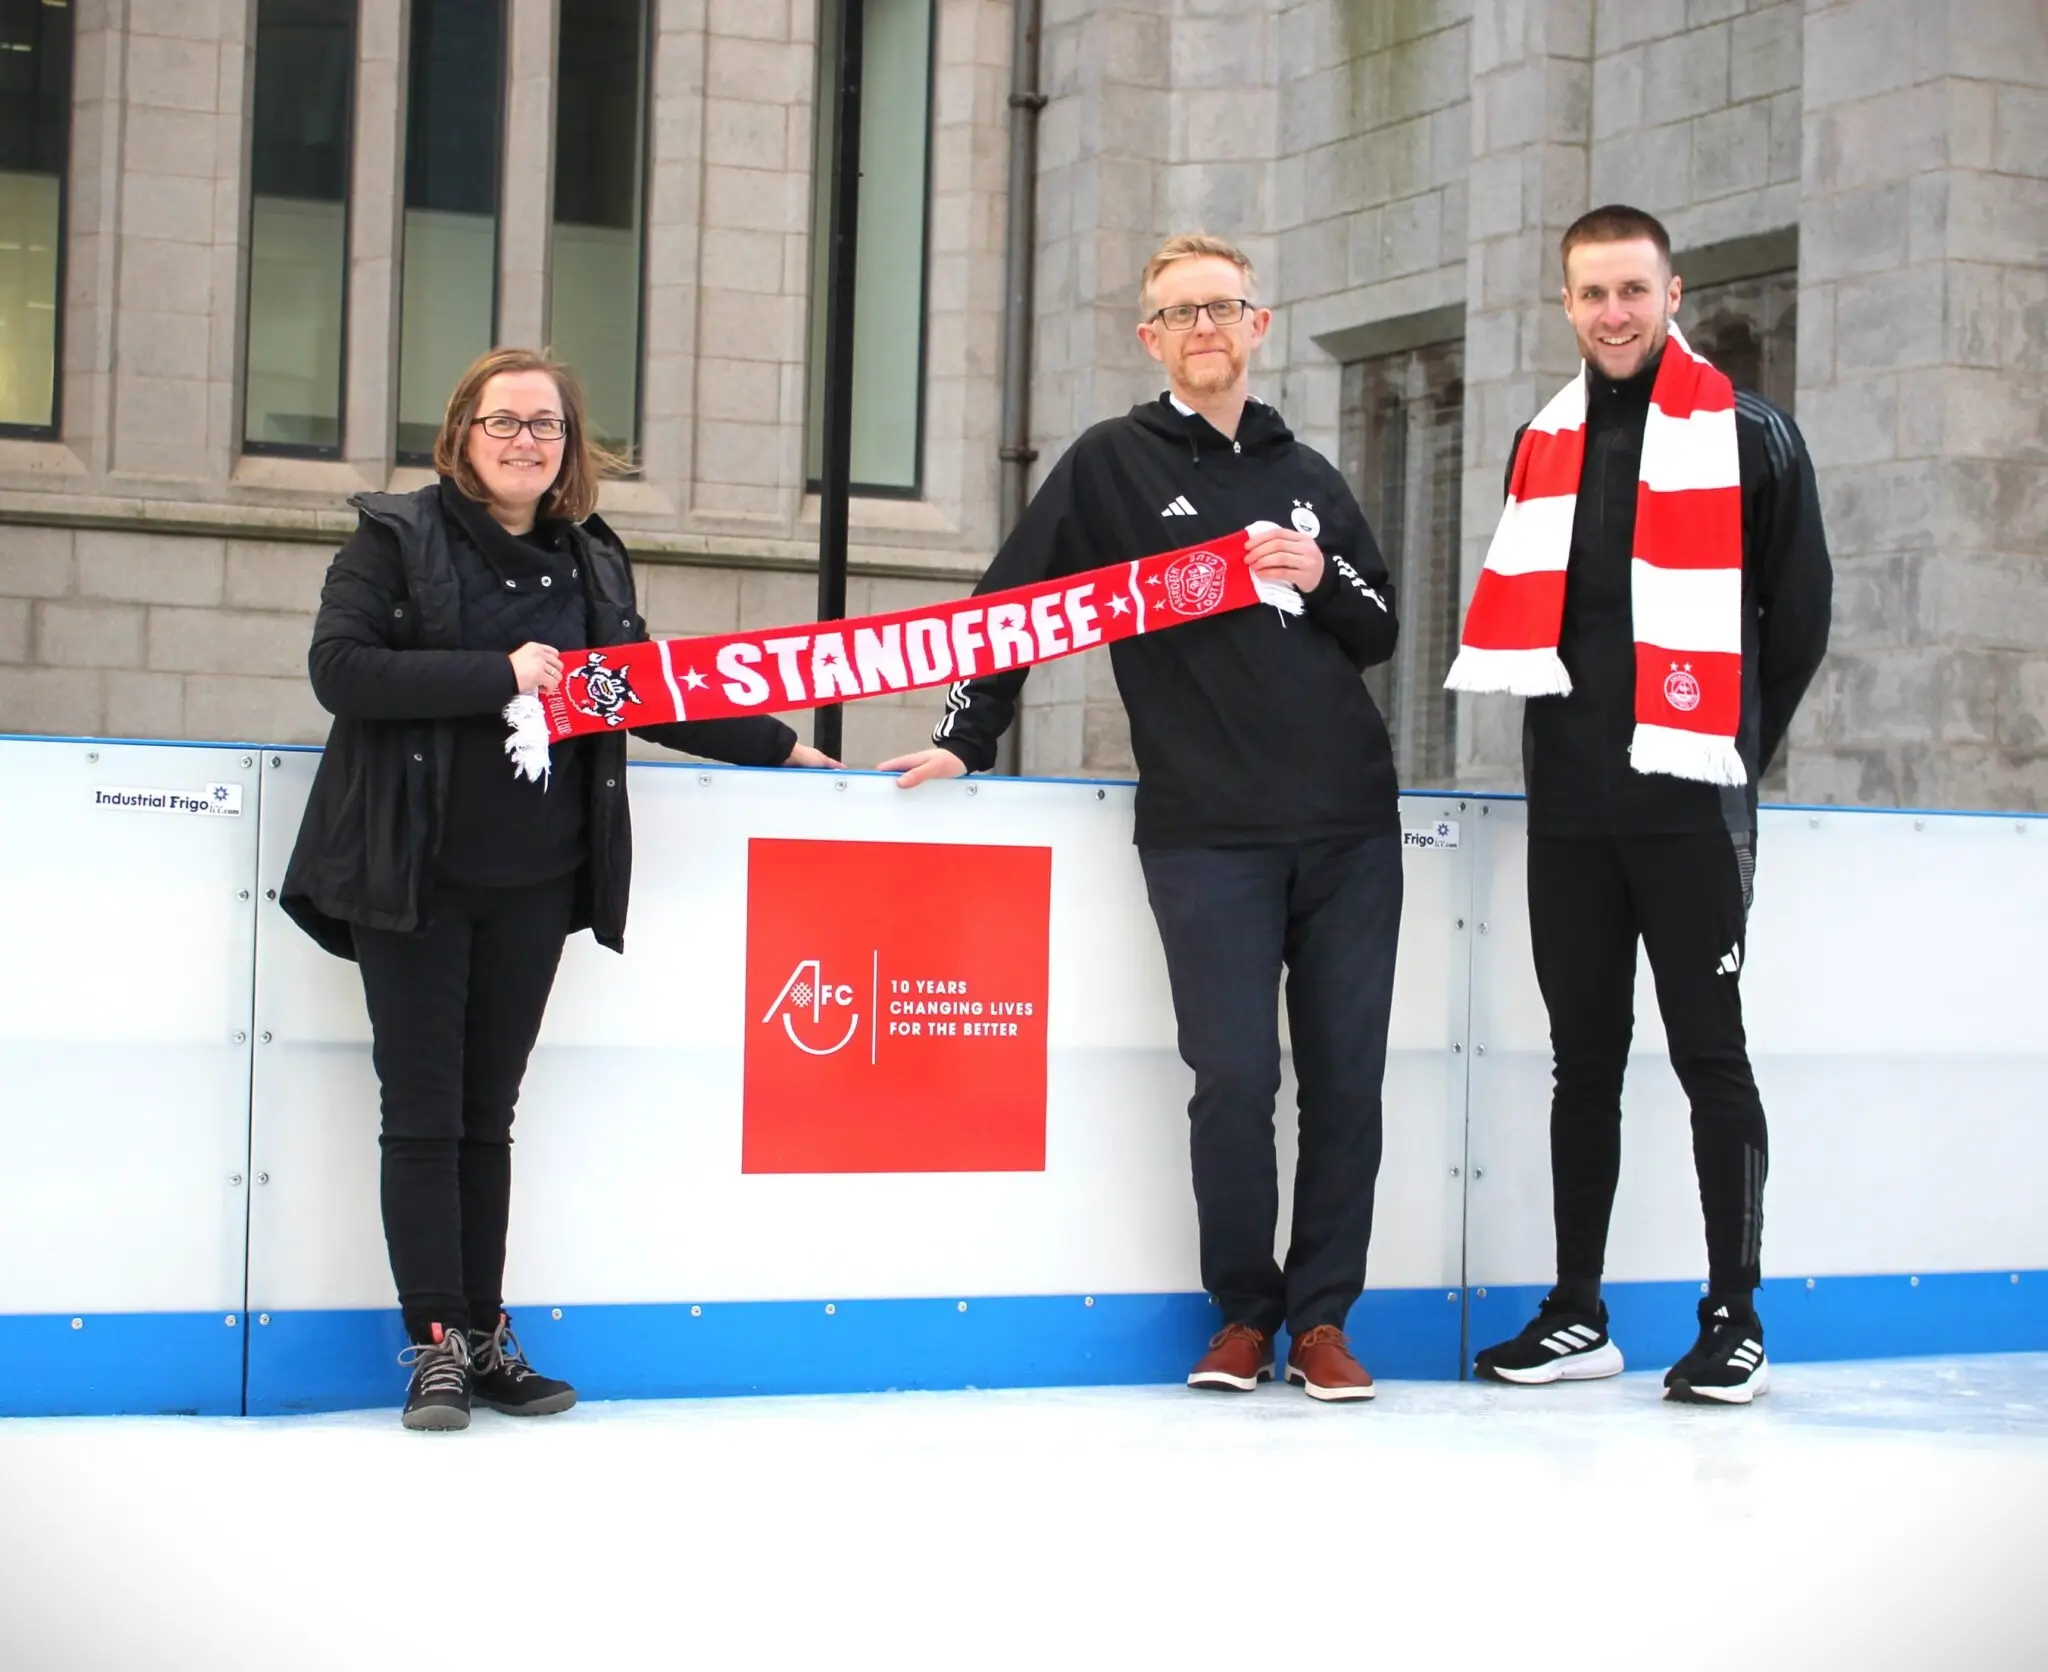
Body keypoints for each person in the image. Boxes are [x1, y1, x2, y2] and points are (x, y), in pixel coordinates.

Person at [881, 234, 1404, 1402]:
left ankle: (1321, 1322)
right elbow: (1009, 603)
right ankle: (1241, 1315)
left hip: (1348, 828)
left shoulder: (1309, 475)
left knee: (1345, 1081)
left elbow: (1378, 628)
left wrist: (1316, 574)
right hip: (1204, 832)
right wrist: (969, 735)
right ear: (1149, 339)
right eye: (1178, 313)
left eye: (1221, 307)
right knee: (1230, 1076)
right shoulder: (1111, 465)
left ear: (1257, 325)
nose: (1202, 327)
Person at [282, 347, 836, 1431]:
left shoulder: (590, 562)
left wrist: (779, 749)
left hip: (534, 879)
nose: (526, 441)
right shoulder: (394, 539)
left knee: (488, 1115)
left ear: (568, 448)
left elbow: (649, 688)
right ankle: (435, 1343)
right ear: (462, 434)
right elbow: (339, 671)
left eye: (546, 425)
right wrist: (501, 672)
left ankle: (487, 1336)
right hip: (412, 874)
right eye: (505, 422)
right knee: (425, 1113)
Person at [1450, 206, 1832, 1404]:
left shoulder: (1751, 435)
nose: (1611, 312)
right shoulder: (1539, 439)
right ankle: (1578, 1312)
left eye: (1631, 289)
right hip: (1568, 808)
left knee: (1709, 1058)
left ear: (1671, 291)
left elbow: (1799, 617)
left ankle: (1734, 1314)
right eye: (1590, 294)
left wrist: (1728, 748)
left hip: (1689, 808)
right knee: (1583, 1064)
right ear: (1564, 306)